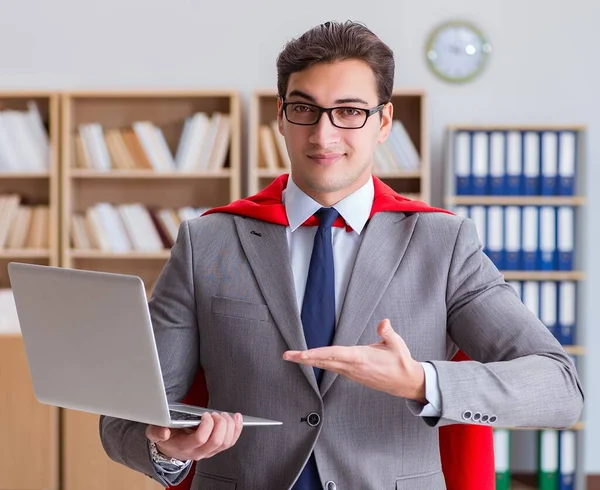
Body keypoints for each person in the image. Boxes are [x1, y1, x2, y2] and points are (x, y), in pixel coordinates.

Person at [100, 20, 584, 490]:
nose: (323, 135)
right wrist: (168, 451)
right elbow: (124, 417)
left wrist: (421, 381)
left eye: (349, 111)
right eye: (304, 109)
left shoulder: (443, 243)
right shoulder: (209, 242)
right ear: (281, 118)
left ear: (384, 122)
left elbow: (559, 388)